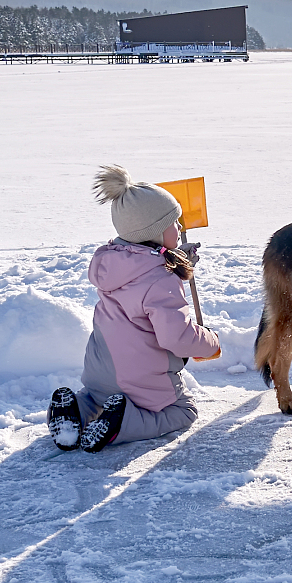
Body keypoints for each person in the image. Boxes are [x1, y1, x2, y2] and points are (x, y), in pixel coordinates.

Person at [49, 164, 222, 454]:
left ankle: (76, 412)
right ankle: (121, 425)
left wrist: (179, 259)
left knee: (96, 401)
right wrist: (209, 341)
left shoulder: (113, 264)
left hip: (99, 374)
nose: (180, 229)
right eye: (174, 224)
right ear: (153, 231)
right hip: (141, 379)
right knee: (183, 411)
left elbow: (144, 266)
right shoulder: (161, 279)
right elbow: (176, 337)